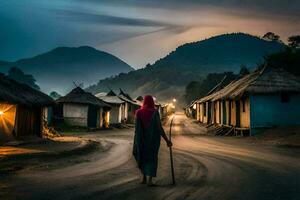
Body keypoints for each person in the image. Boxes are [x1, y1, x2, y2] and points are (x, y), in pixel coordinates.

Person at [133, 95, 172, 186]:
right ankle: (150, 180)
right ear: (152, 102)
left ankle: (144, 178)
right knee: (152, 159)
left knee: (142, 157)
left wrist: (136, 141)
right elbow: (159, 128)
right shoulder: (155, 113)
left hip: (141, 141)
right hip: (153, 141)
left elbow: (137, 129)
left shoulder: (138, 112)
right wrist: (167, 140)